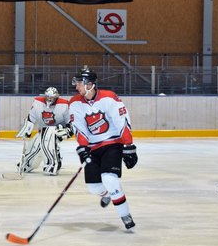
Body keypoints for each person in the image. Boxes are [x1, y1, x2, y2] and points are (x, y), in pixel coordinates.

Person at [69, 66, 138, 230]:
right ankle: (108, 194)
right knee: (94, 187)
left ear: (90, 84)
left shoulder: (109, 97)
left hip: (112, 143)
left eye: (79, 83)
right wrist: (83, 147)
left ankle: (125, 214)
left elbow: (122, 122)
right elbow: (79, 128)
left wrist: (128, 146)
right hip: (93, 147)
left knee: (109, 179)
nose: (77, 86)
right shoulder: (75, 103)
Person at [15, 87, 73, 175]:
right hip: (43, 131)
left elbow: (70, 122)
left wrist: (68, 131)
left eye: (52, 97)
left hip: (58, 131)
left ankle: (53, 164)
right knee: (34, 146)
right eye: (48, 96)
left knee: (48, 141)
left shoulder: (64, 105)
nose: (49, 99)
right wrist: (27, 128)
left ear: (56, 97)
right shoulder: (38, 102)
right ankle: (27, 164)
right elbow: (31, 118)